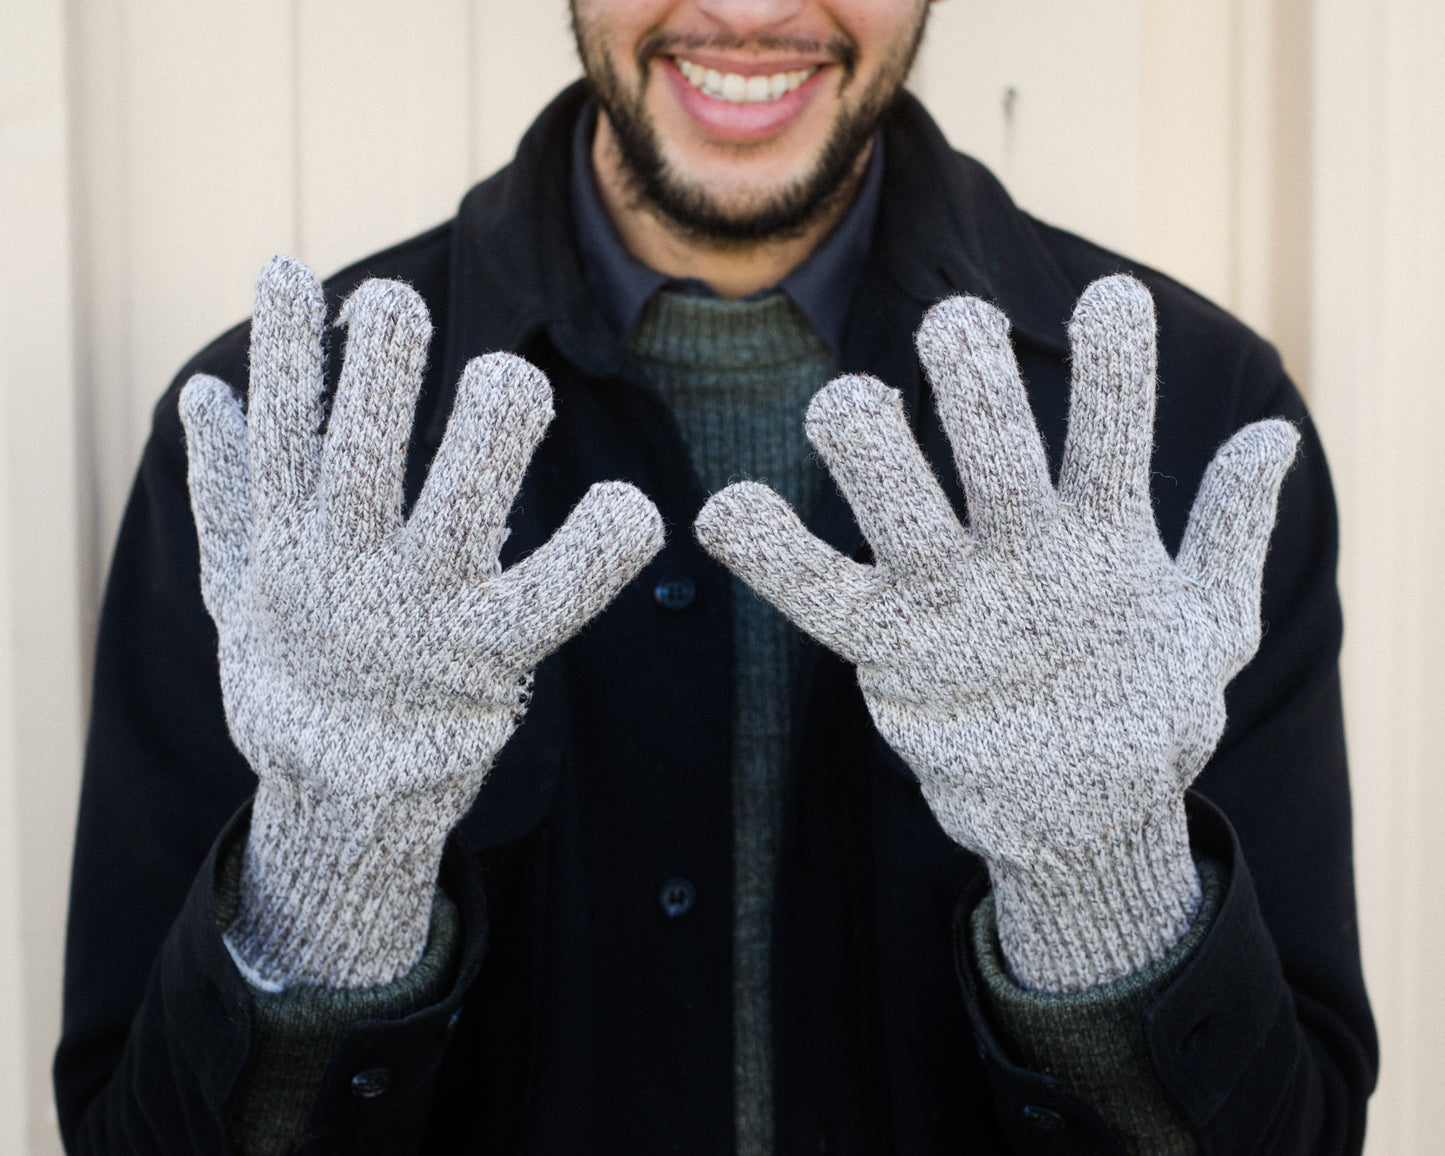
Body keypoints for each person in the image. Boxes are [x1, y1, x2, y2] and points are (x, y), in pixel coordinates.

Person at [55, 1, 1377, 1152]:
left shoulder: (1182, 422)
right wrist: (330, 874)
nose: (747, 11)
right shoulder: (289, 443)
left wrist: (1101, 881)